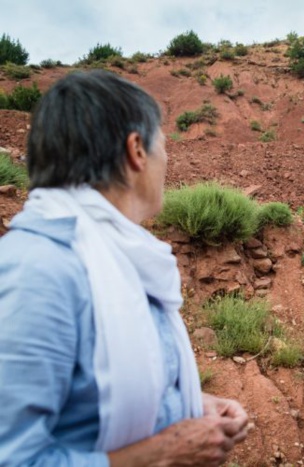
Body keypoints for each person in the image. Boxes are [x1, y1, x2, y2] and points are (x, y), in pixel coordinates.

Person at [0, 71, 249, 466]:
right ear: (136, 150)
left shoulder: (116, 255)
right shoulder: (38, 271)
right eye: (163, 143)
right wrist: (164, 452)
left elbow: (93, 393)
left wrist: (184, 404)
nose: (166, 159)